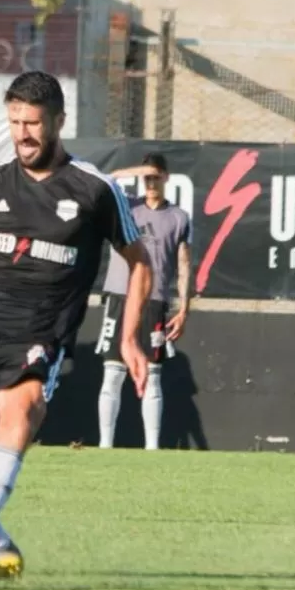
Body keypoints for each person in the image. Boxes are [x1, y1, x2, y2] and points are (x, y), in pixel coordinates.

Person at [0, 71, 152, 579]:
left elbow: (139, 261)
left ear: (59, 122)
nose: (23, 134)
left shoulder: (94, 189)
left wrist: (130, 337)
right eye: (15, 122)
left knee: (22, 411)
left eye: (33, 123)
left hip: (39, 329)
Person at [96, 153, 191, 450]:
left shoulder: (179, 217)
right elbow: (106, 180)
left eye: (156, 176)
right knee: (113, 372)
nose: (151, 182)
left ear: (166, 178)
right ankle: (105, 445)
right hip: (119, 295)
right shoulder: (128, 206)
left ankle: (152, 448)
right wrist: (138, 169)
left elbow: (185, 263)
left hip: (155, 299)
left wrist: (184, 307)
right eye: (147, 177)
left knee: (152, 374)